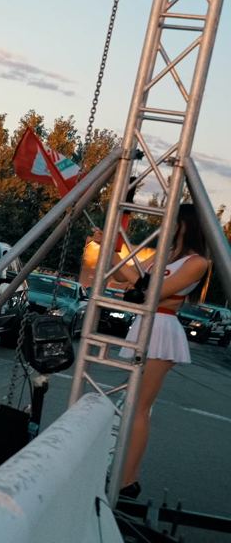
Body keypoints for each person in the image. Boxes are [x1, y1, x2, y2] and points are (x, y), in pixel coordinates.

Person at [92, 203, 209, 499]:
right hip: (146, 323)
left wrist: (122, 262)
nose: (166, 224)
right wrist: (109, 247)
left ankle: (128, 480)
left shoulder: (198, 262)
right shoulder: (165, 254)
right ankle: (123, 475)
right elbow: (124, 276)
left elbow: (154, 290)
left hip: (162, 328)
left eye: (172, 219)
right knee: (132, 405)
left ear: (185, 223)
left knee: (139, 408)